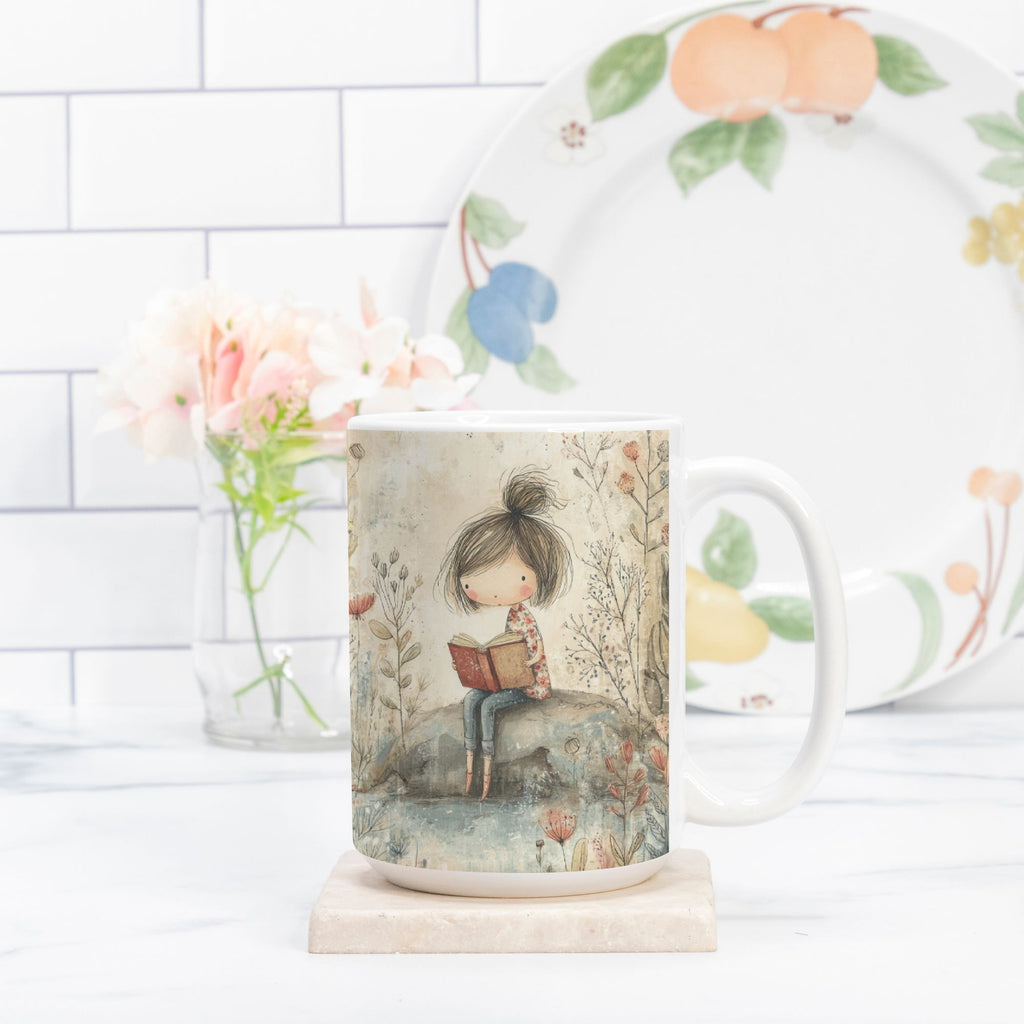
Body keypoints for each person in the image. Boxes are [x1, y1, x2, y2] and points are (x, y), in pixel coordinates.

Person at [439, 468, 572, 801]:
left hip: (528, 688)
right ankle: (470, 759)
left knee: (488, 707)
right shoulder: (512, 617)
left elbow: (535, 655)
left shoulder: (524, 619)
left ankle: (487, 767)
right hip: (509, 682)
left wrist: (519, 663)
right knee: (472, 698)